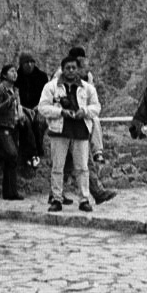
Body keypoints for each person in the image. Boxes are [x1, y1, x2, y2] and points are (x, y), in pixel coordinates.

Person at [39, 56, 101, 213]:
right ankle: (57, 198)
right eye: (68, 68)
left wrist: (84, 111)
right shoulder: (51, 87)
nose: (71, 71)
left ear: (78, 69)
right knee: (57, 167)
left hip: (80, 130)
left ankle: (84, 199)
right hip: (59, 130)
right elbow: (43, 107)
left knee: (82, 168)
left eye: (74, 67)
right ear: (62, 69)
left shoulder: (87, 88)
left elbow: (96, 107)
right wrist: (60, 112)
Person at [0, 64, 25, 200]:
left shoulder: (15, 90)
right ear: (4, 75)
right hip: (2, 127)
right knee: (12, 154)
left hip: (13, 126)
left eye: (16, 71)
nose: (15, 74)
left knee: (11, 160)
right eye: (12, 71)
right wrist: (11, 100)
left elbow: (17, 107)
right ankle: (10, 191)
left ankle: (10, 192)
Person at [14, 51, 49, 167]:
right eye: (26, 62)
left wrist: (39, 107)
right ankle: (31, 153)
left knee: (39, 122)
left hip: (39, 107)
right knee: (25, 123)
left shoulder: (42, 76)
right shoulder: (16, 77)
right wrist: (24, 109)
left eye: (31, 62)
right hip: (22, 108)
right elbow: (15, 96)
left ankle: (39, 150)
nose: (29, 65)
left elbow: (48, 95)